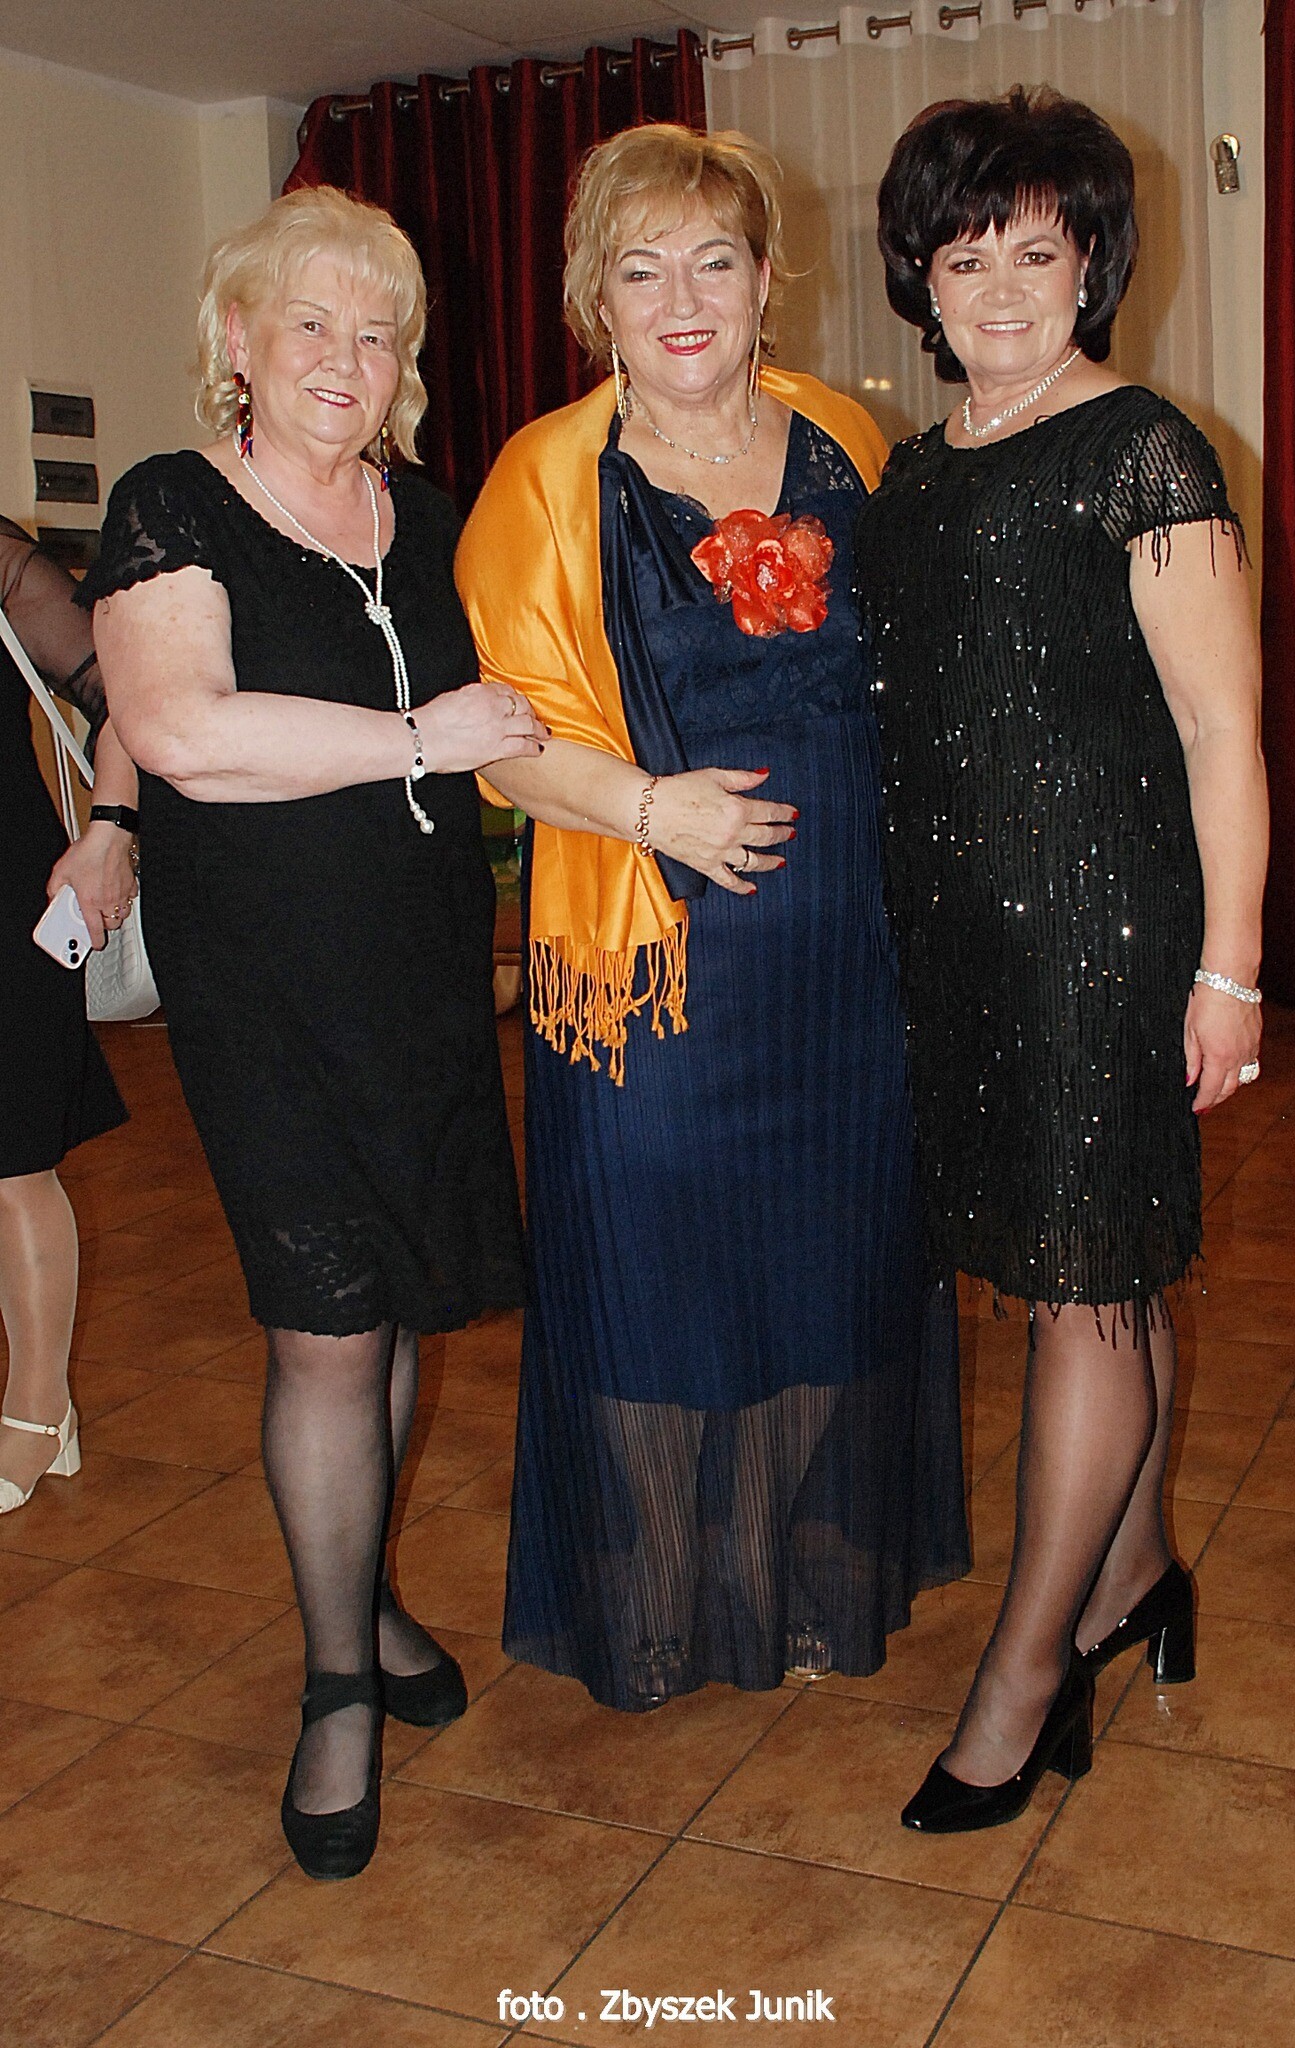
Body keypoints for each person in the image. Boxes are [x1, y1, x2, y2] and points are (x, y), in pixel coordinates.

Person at [457, 124, 970, 1715]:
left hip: (847, 962)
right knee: (654, 1289)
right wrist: (647, 810)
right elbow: (500, 737)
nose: (681, 300)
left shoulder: (848, 439)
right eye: (641, 271)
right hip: (656, 975)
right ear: (594, 301)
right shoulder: (548, 479)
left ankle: (785, 1589)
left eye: (713, 263)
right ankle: (665, 1612)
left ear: (764, 279)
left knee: (831, 1275)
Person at [85, 187, 536, 1880]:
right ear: (238, 341)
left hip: (419, 967)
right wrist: (423, 735)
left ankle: (368, 1596)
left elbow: (535, 695)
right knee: (329, 1327)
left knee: (399, 1297)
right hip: (265, 983)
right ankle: (337, 1679)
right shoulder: (174, 500)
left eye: (379, 330)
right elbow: (181, 727)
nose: (347, 358)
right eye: (311, 323)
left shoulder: (435, 517)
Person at [855, 87, 1268, 1833]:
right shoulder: (911, 470)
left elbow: (1223, 732)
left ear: (1094, 263)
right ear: (922, 282)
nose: (1005, 288)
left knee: (1082, 1288)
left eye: (1039, 251)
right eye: (968, 258)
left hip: (1100, 928)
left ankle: (1025, 1674)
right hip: (955, 935)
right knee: (1095, 1272)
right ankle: (1139, 1572)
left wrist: (1230, 968)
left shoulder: (1146, 448)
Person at [0, 520, 133, 1514]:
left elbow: (121, 691)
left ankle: (40, 1410)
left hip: (9, 901)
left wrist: (109, 832)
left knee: (12, 1164)